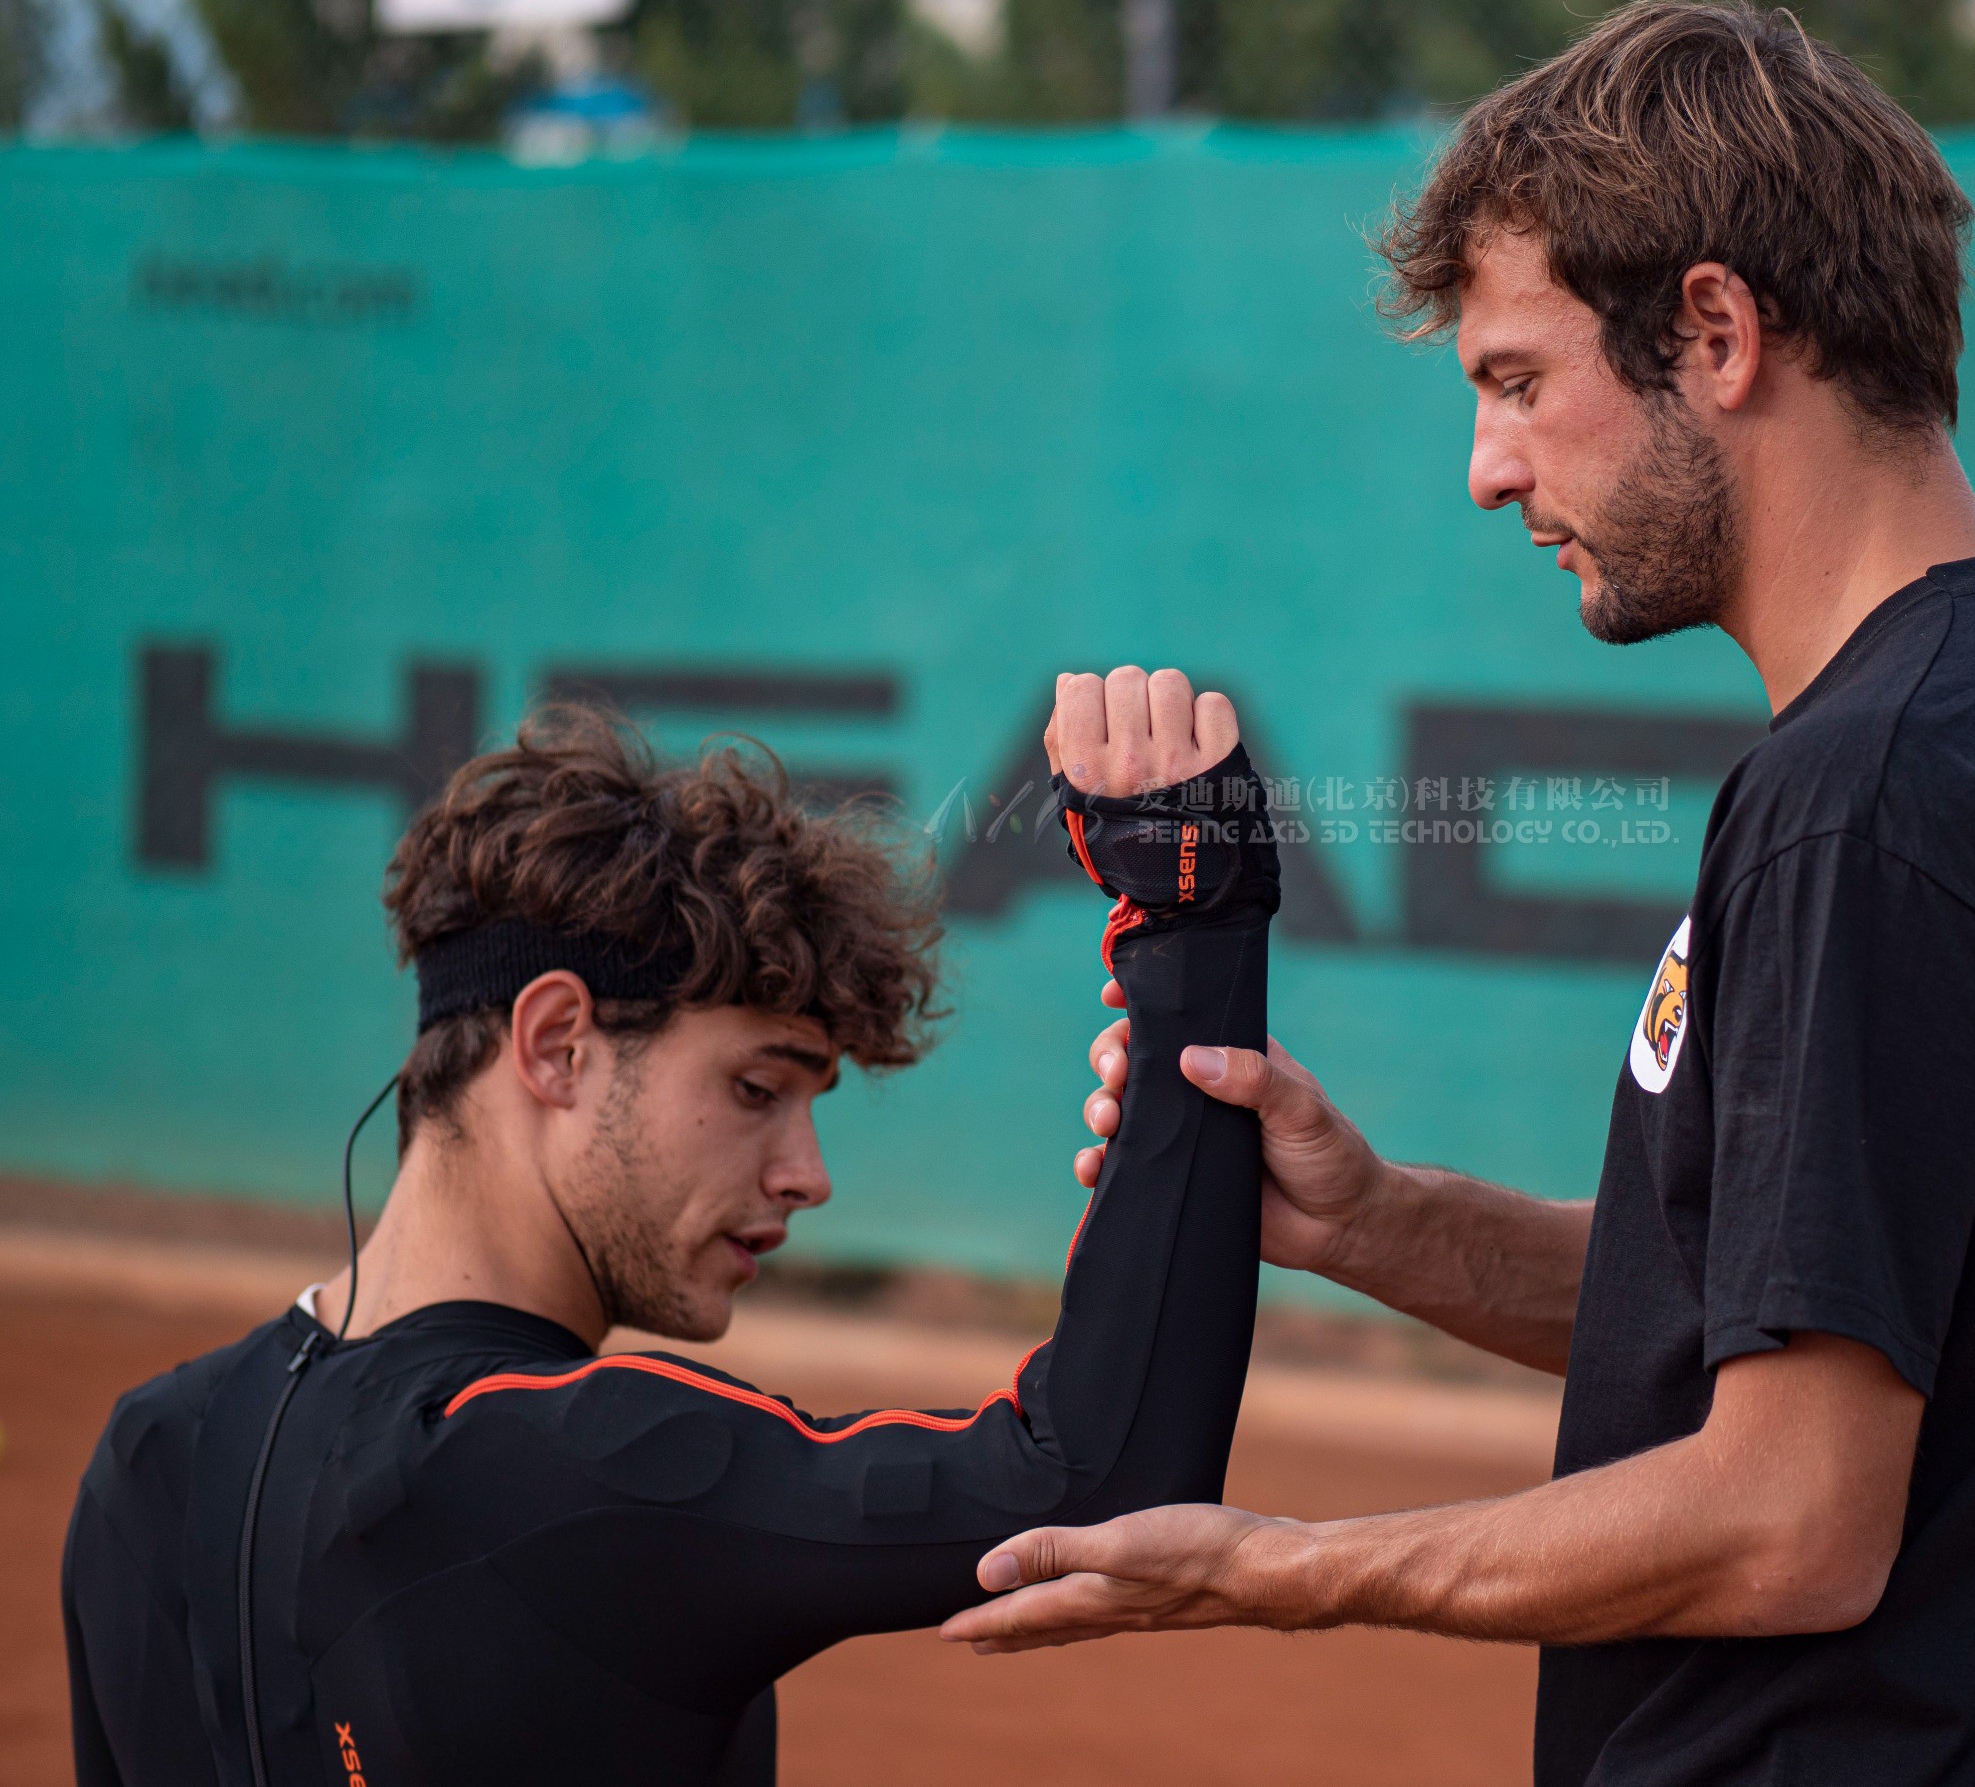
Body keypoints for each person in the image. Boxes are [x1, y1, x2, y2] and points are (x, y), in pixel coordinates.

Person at [940, 0, 1975, 1787]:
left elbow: (1791, 1517)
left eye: (1513, 381)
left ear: (1713, 329)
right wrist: (1380, 1222)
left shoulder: (1862, 797)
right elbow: (1844, 1318)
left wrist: (1288, 1570)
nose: (1491, 471)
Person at [61, 679, 1277, 1787]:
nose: (807, 1177)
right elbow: (1100, 1484)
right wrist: (1192, 923)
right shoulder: (568, 1463)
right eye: (758, 1088)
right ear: (553, 1045)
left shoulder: (147, 1456)